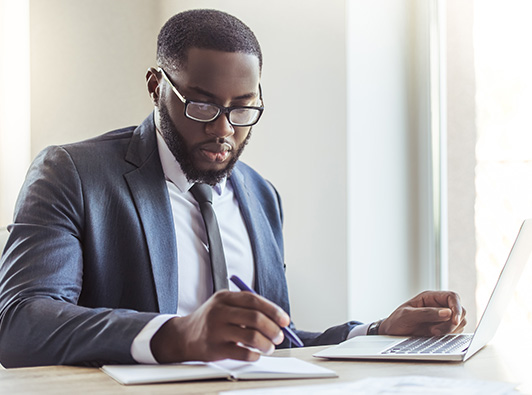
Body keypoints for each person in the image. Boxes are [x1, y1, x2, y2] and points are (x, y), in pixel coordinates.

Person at [0, 9, 466, 368]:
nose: (224, 130)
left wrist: (380, 331)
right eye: (202, 106)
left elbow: (278, 342)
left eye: (243, 109)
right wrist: (177, 334)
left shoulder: (261, 195)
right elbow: (21, 323)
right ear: (155, 85)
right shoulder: (72, 174)